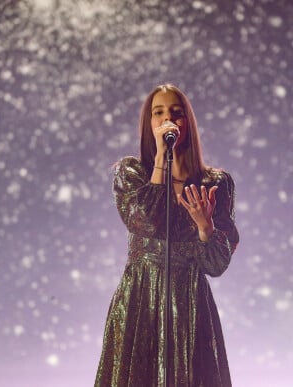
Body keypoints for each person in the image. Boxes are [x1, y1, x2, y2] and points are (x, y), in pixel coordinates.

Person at [95, 84, 239, 386]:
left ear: (188, 121)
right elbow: (145, 222)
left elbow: (216, 265)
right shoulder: (130, 173)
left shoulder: (215, 183)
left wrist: (205, 227)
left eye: (176, 113)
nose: (167, 119)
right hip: (140, 301)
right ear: (150, 124)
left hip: (190, 303)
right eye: (158, 113)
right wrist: (162, 157)